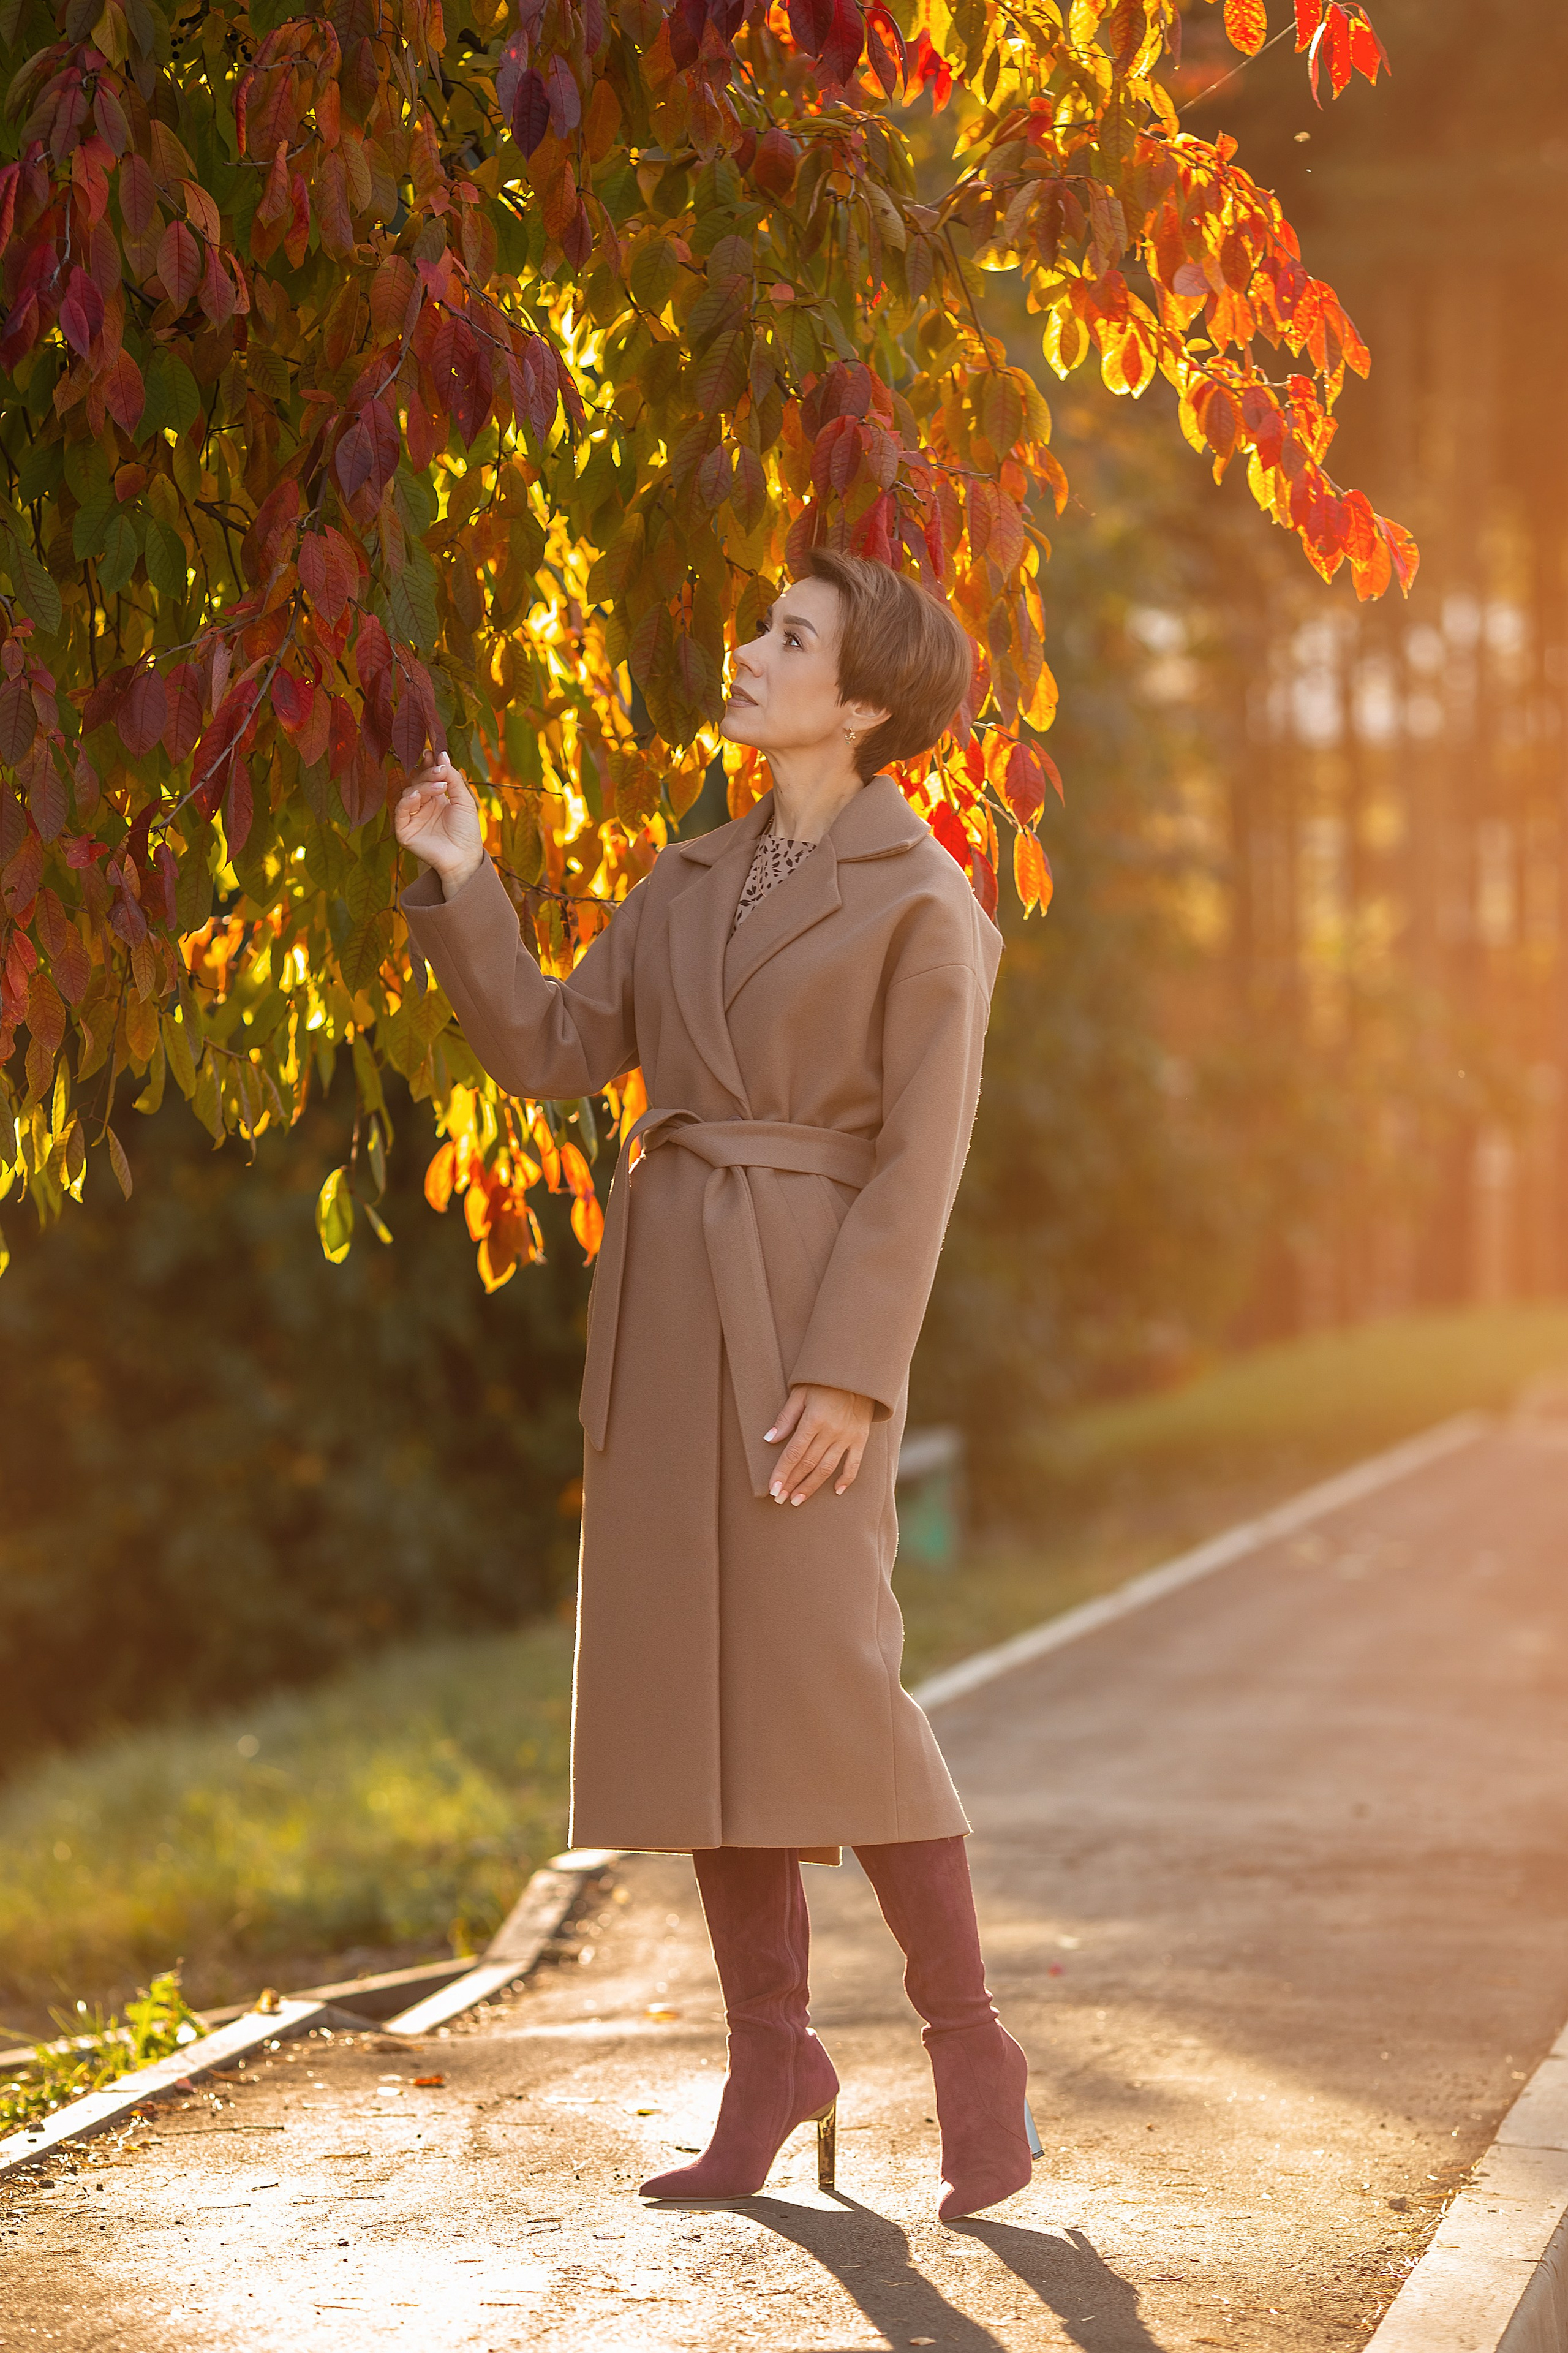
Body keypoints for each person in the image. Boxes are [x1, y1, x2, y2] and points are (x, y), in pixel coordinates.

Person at [394, 547, 1038, 2221]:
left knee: (839, 1688)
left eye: (790, 637)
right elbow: (547, 1048)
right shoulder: (682, 881)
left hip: (809, 1311)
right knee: (702, 1701)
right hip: (669, 1312)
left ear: (867, 699)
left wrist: (850, 1375)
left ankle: (972, 2046)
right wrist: (462, 878)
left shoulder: (924, 898)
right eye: (761, 623)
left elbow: (923, 1163)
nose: (750, 652)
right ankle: (773, 2059)